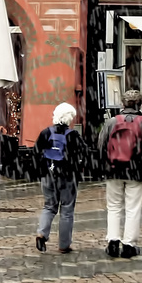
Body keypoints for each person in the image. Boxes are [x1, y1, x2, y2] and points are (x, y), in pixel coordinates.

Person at [97, 88, 142, 259]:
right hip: (137, 171)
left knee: (114, 206)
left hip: (113, 169)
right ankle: (129, 244)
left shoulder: (111, 123)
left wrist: (106, 164)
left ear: (122, 104)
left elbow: (101, 146)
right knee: (133, 208)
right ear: (141, 104)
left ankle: (113, 241)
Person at [34, 102, 86, 253]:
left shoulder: (46, 133)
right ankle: (64, 245)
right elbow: (84, 154)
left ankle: (41, 233)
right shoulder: (73, 135)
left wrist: (42, 171)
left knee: (49, 206)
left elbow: (36, 154)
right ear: (70, 118)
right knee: (67, 210)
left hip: (48, 175)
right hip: (68, 177)